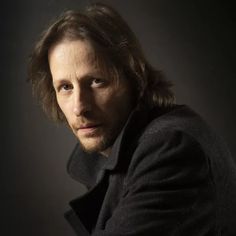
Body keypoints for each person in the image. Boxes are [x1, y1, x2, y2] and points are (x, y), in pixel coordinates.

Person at [28, 2, 236, 236]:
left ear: (133, 78)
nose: (79, 107)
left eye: (97, 81)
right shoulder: (134, 146)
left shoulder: (171, 148)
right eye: (65, 87)